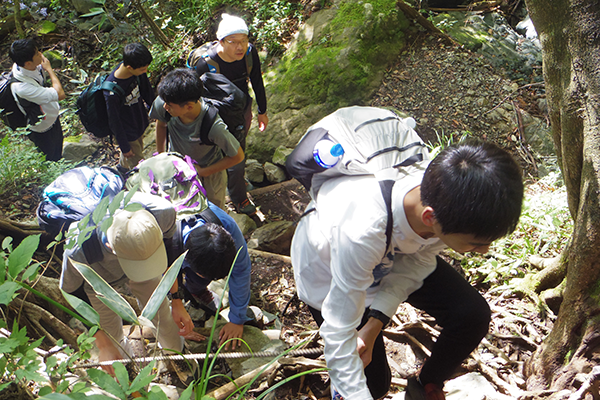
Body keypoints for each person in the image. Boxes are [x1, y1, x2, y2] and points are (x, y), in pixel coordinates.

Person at [290, 140, 524, 399]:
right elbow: (339, 330)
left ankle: (426, 386)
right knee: (372, 382)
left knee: (470, 314)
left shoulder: (445, 197)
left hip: (393, 252)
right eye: (476, 243)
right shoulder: (362, 231)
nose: (484, 251)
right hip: (331, 271)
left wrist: (375, 322)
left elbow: (418, 261)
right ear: (430, 218)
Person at [60, 193, 202, 380]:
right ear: (110, 246)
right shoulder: (80, 249)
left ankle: (176, 353)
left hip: (150, 269)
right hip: (99, 282)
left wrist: (176, 299)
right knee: (110, 331)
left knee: (162, 313)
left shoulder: (162, 213)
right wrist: (103, 344)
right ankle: (123, 366)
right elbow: (71, 292)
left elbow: (171, 249)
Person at [192, 13, 268, 215]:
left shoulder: (250, 55)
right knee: (232, 152)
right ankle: (240, 199)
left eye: (244, 40)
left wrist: (262, 111)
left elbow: (257, 82)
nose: (240, 47)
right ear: (221, 41)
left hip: (241, 109)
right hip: (215, 114)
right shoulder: (204, 63)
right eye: (234, 42)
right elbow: (192, 93)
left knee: (238, 149)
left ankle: (237, 180)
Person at [150, 68, 244, 210]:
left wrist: (203, 172)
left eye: (169, 105)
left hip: (210, 173)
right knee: (184, 208)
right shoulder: (166, 102)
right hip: (179, 169)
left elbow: (237, 156)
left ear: (189, 106)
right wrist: (161, 156)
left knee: (214, 211)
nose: (164, 106)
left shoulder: (213, 126)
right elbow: (161, 124)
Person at [174, 201, 252, 349]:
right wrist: (175, 312)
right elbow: (153, 282)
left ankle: (195, 290)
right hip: (163, 243)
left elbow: (241, 270)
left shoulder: (228, 227)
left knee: (202, 276)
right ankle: (191, 289)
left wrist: (237, 319)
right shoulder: (163, 238)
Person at [8, 38, 65, 161]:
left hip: (52, 117)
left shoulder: (25, 65)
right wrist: (49, 69)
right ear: (28, 63)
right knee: (51, 158)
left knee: (59, 149)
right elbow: (60, 94)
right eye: (37, 54)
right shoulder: (22, 87)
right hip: (42, 129)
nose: (41, 54)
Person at [104, 43, 156, 171]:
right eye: (143, 69)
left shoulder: (137, 72)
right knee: (140, 165)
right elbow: (114, 121)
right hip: (128, 132)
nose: (146, 71)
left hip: (139, 122)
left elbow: (147, 92)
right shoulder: (112, 92)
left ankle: (122, 168)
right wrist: (124, 146)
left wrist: (158, 111)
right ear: (129, 67)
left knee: (137, 149)